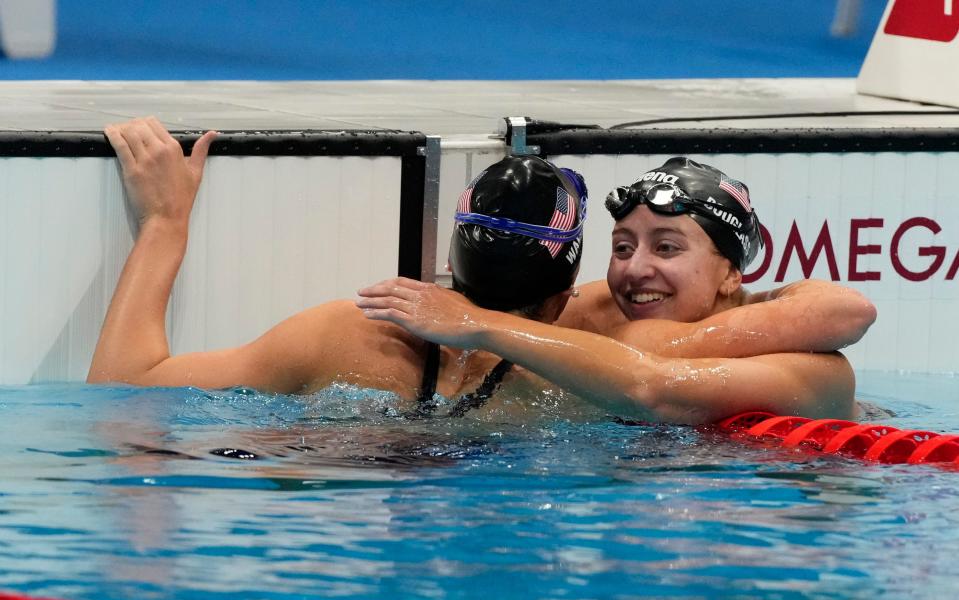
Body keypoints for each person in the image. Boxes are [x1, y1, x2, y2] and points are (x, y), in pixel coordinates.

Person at [87, 117, 589, 412]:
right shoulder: (583, 380)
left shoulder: (347, 337)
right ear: (559, 303)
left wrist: (165, 221)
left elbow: (120, 393)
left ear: (451, 262)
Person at [356, 158, 877, 424]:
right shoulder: (594, 314)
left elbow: (848, 310)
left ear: (731, 273)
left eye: (667, 248)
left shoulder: (809, 365)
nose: (636, 269)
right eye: (623, 248)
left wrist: (483, 324)